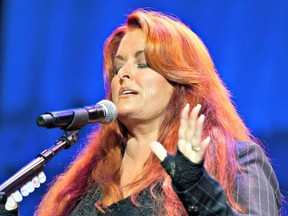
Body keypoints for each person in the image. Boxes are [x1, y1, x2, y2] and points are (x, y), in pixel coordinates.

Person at [1, 8, 282, 215]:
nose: (123, 74)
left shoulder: (236, 160)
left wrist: (196, 186)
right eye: (119, 66)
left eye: (143, 64)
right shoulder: (88, 180)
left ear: (182, 83)